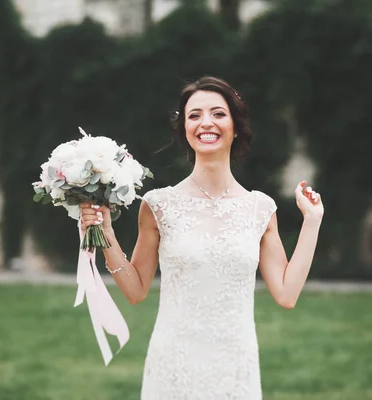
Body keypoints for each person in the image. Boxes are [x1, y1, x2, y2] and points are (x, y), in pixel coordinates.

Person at [80, 76, 324, 399]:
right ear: (185, 129)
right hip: (174, 365)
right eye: (194, 115)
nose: (205, 122)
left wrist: (313, 220)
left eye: (218, 113)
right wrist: (106, 233)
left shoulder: (259, 209)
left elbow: (287, 294)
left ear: (235, 127)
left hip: (235, 367)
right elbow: (136, 290)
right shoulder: (158, 205)